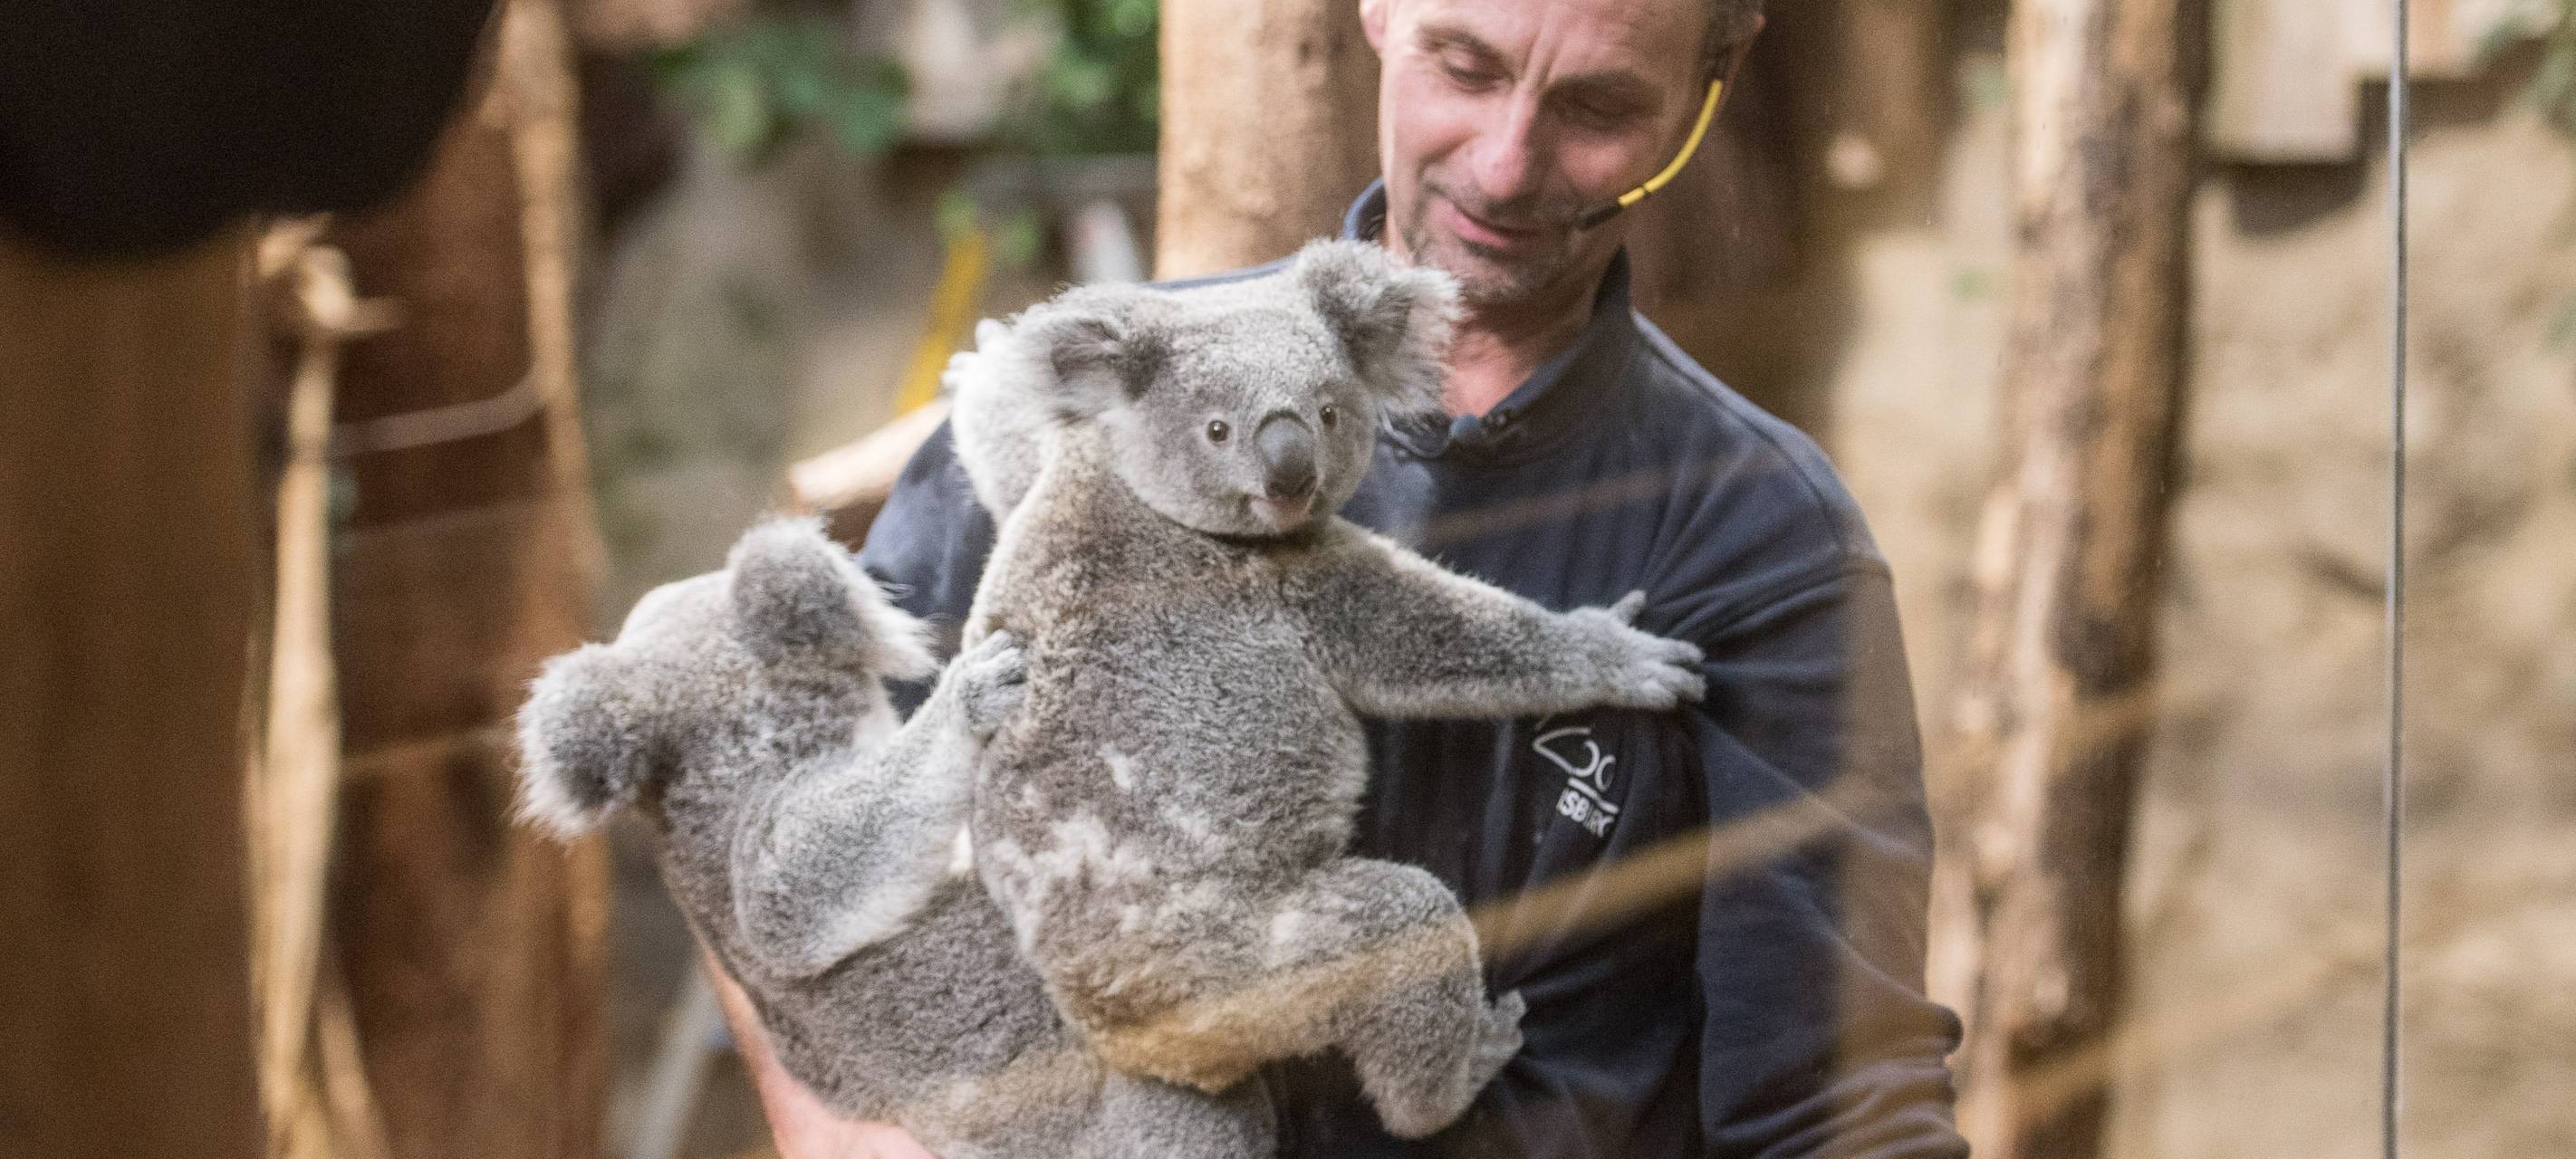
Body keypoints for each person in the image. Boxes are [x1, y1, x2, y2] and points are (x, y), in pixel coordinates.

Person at [708, 0, 1969, 1154]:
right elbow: (756, 818)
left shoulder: (1755, 534)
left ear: (1712, 78)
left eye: (1595, 107)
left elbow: (1839, 1099)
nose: (1505, 162)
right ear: (1378, 11)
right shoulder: (1114, 404)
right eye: (1463, 66)